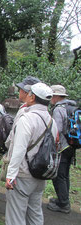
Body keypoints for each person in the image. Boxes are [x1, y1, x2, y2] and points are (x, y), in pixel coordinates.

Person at [5, 83, 58, 225]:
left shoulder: (27, 119)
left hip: (23, 174)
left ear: (32, 97)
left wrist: (10, 174)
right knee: (35, 213)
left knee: (16, 216)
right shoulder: (52, 121)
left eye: (29, 93)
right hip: (41, 173)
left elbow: (19, 149)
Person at [47, 85, 77, 214]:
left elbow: (57, 129)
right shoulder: (71, 107)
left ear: (57, 96)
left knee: (59, 175)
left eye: (52, 95)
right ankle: (62, 200)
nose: (51, 98)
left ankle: (64, 204)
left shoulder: (59, 109)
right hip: (71, 146)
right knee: (64, 175)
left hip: (62, 147)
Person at [5, 76, 41, 149]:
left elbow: (15, 136)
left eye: (20, 89)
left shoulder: (24, 110)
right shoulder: (42, 110)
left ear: (26, 92)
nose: (19, 91)